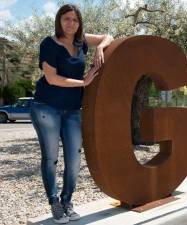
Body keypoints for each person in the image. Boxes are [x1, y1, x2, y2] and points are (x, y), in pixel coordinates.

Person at [30, 4, 113, 224]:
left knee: (74, 159)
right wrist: (84, 82)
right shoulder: (49, 44)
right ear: (59, 20)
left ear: (79, 23)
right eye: (67, 19)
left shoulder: (82, 41)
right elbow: (52, 78)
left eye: (75, 20)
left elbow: (109, 36)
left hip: (73, 110)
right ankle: (55, 203)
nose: (71, 24)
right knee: (51, 158)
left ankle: (67, 201)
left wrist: (100, 48)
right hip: (46, 107)